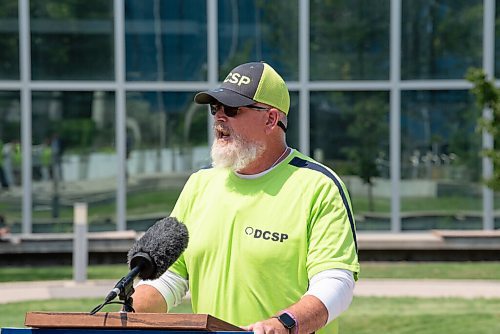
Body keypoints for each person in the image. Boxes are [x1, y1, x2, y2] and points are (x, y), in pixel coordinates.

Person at [133, 62, 360, 334]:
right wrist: (130, 309)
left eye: (231, 109)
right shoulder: (199, 185)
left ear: (271, 119)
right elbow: (170, 278)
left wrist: (284, 324)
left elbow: (336, 281)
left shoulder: (318, 186)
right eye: (215, 108)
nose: (219, 118)